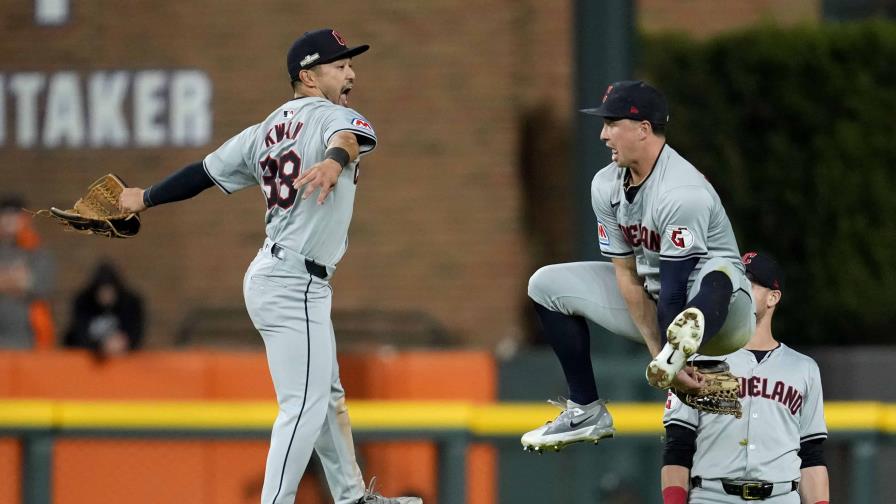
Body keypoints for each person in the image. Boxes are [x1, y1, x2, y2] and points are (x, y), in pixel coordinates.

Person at [117, 29, 421, 504]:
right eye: (339, 65)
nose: (351, 73)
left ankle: (351, 496)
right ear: (307, 75)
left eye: (349, 64)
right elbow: (347, 138)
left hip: (284, 276)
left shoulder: (263, 131)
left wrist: (144, 197)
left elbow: (203, 172)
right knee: (303, 405)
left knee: (326, 397)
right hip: (292, 281)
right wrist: (337, 162)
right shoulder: (330, 115)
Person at [521, 80, 754, 452]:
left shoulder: (682, 191)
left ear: (643, 129)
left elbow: (677, 287)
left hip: (724, 312)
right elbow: (627, 276)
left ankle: (681, 349)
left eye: (612, 123)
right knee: (545, 285)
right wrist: (660, 359)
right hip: (656, 302)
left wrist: (671, 362)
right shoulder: (605, 184)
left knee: (718, 271)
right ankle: (585, 409)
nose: (603, 134)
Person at [661, 251, 829, 504]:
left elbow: (812, 455)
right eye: (734, 280)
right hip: (712, 496)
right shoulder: (696, 359)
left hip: (781, 496)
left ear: (773, 297)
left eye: (748, 282)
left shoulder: (803, 369)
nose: (737, 289)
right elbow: (678, 446)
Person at [0, 195, 55, 349]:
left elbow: (42, 287)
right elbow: (24, 282)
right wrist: (17, 280)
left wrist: (7, 280)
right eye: (5, 215)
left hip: (27, 339)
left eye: (15, 215)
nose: (9, 220)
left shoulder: (37, 253)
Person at [64, 261, 145, 358]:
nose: (105, 296)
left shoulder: (130, 304)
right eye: (102, 291)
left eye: (109, 291)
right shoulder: (84, 303)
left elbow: (135, 331)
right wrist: (100, 345)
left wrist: (125, 342)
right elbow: (79, 332)